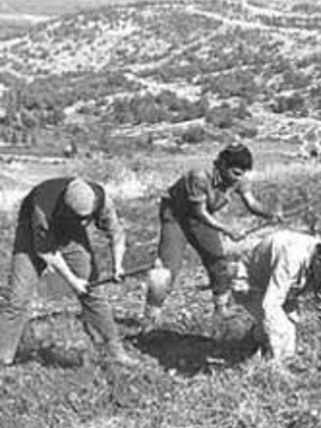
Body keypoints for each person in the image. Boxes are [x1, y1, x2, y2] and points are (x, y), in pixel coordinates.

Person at [0, 177, 136, 366]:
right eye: (78, 217)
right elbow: (46, 252)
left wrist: (117, 266)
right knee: (17, 299)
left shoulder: (101, 199)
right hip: (32, 234)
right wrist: (73, 281)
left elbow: (116, 233)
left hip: (70, 235)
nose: (83, 223)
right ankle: (3, 358)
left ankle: (115, 353)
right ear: (65, 205)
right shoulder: (43, 207)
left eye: (85, 219)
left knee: (93, 294)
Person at [144, 143, 282, 329]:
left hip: (200, 218)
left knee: (218, 261)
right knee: (166, 271)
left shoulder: (239, 179)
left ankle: (221, 310)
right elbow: (200, 212)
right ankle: (150, 318)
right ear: (222, 165)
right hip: (175, 217)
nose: (238, 178)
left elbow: (251, 203)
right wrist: (228, 230)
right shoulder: (199, 177)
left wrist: (270, 213)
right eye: (235, 173)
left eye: (242, 174)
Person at [239, 230, 321, 363]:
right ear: (319, 260)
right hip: (250, 282)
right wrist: (276, 355)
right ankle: (256, 351)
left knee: (289, 335)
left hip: (280, 286)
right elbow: (270, 304)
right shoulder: (292, 257)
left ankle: (255, 341)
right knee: (281, 329)